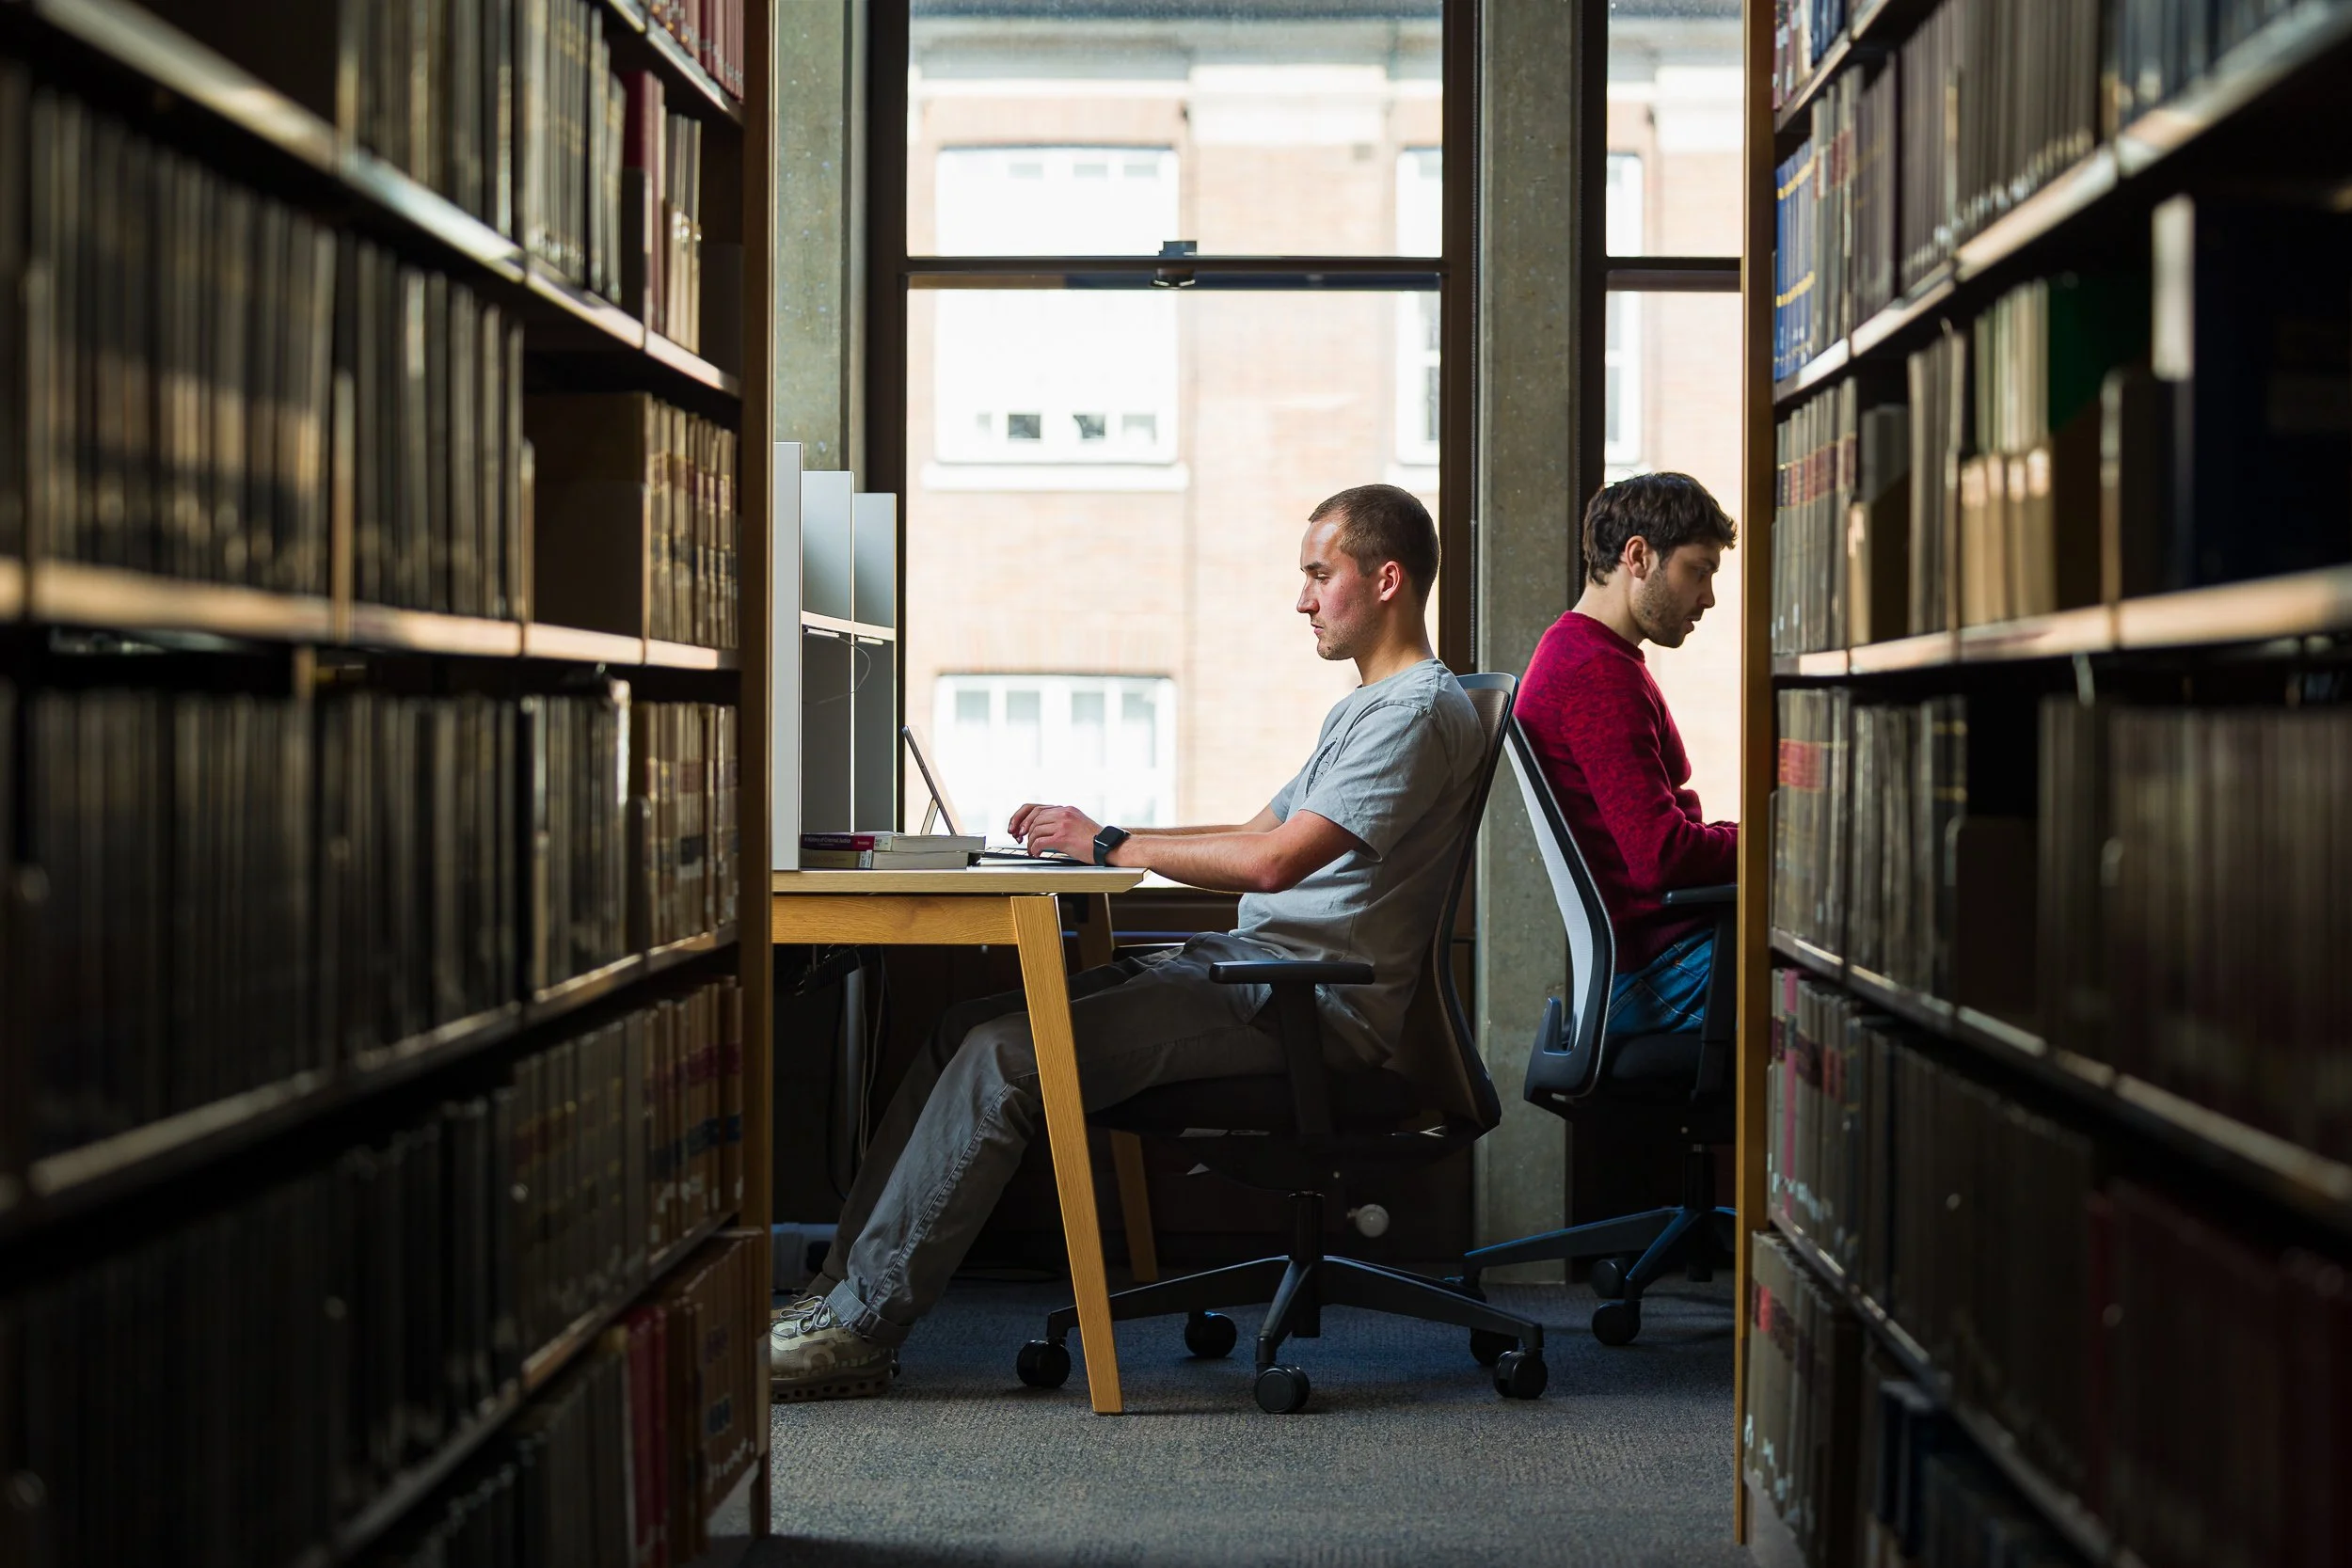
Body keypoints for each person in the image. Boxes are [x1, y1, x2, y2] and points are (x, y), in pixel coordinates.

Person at [771, 483, 1486, 1402]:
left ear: (1386, 578)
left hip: (1303, 1003)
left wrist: (1105, 845)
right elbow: (1249, 830)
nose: (1301, 598)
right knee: (963, 1027)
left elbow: (1273, 865)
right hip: (1253, 979)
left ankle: (863, 1329)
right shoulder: (1370, 706)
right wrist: (1110, 832)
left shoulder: (1412, 713)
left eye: (1319, 574)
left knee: (1005, 1055)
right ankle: (832, 1297)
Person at [1516, 471, 1739, 1036]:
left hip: (1656, 963)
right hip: (1661, 975)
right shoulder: (1597, 674)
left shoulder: (1579, 653)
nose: (1709, 598)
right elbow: (1663, 857)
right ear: (1638, 556)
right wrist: (1772, 837)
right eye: (1699, 571)